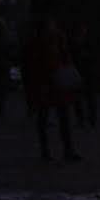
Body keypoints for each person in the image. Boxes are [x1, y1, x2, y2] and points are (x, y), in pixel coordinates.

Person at [21, 18, 81, 162]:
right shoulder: (38, 43)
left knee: (59, 117)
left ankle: (63, 150)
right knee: (49, 118)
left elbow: (65, 58)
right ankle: (51, 151)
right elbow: (32, 66)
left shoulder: (53, 40)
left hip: (54, 84)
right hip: (46, 84)